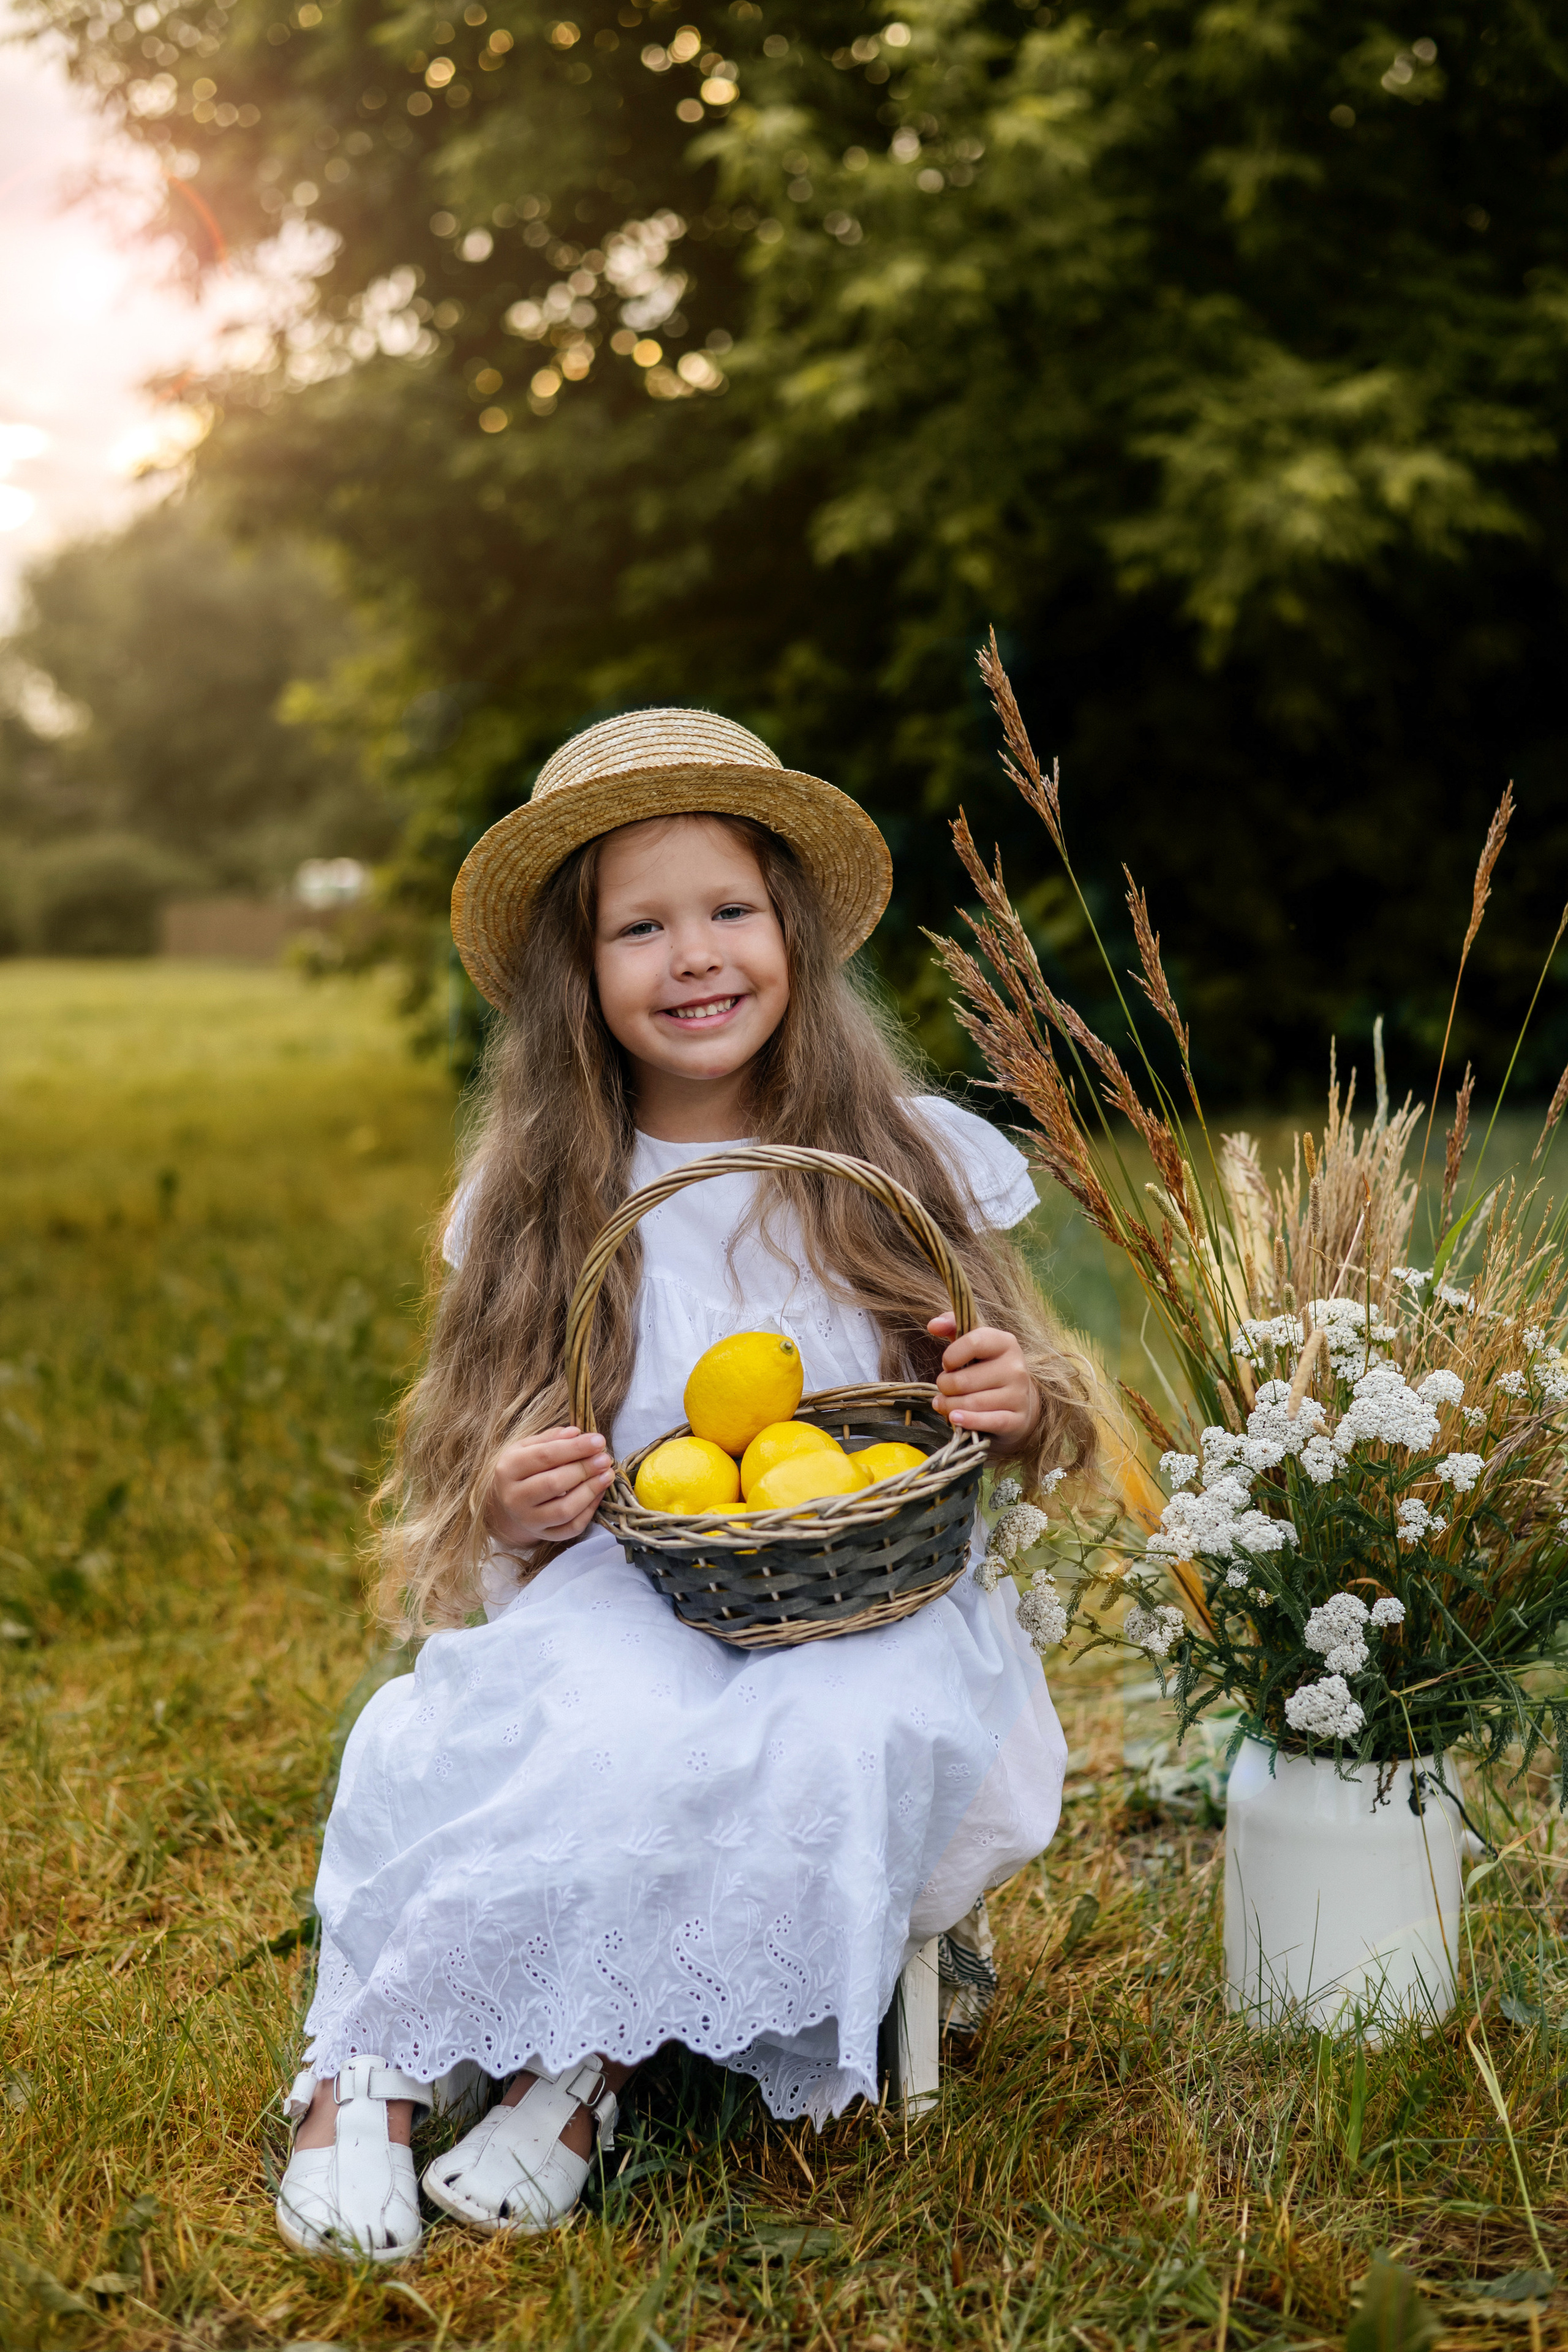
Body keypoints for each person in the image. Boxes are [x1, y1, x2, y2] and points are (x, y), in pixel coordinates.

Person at [275, 708, 1096, 2263]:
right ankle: (362, 2076)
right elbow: (477, 1458)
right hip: (639, 1577)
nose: (693, 955)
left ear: (788, 929)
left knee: (833, 1727)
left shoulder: (896, 1156)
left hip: (873, 1604)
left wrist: (1008, 1404)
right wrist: (516, 1498)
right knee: (560, 1716)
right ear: (576, 980)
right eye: (637, 928)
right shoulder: (543, 1194)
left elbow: (1026, 1401)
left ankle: (580, 2067)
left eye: (727, 910)